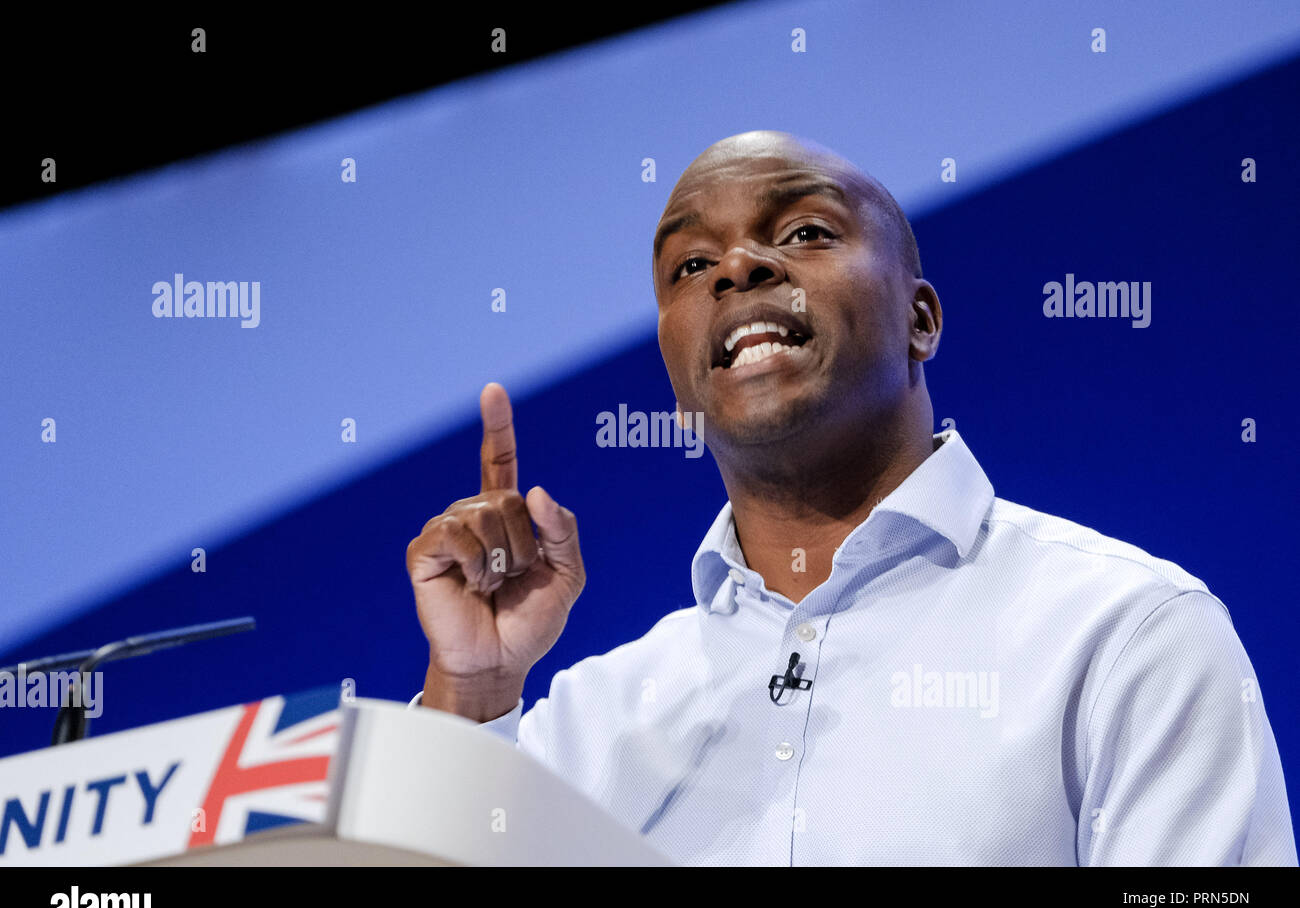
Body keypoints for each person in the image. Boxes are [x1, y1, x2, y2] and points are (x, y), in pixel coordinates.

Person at [403, 130, 1297, 866]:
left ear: (920, 319)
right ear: (679, 384)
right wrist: (470, 692)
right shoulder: (591, 724)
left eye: (803, 232)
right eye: (691, 264)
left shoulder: (1126, 634)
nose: (737, 268)